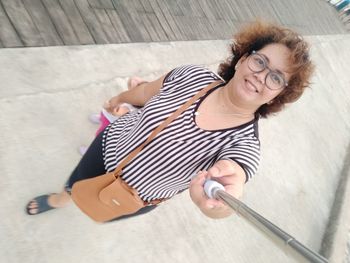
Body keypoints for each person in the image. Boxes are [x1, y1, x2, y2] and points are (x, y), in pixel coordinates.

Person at [26, 20, 314, 220]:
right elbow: (146, 91)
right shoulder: (193, 75)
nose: (261, 76)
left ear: (277, 96)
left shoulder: (244, 145)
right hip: (108, 146)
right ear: (242, 59)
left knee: (99, 207)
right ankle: (60, 199)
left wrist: (220, 203)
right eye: (259, 61)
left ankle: (72, 199)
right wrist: (120, 99)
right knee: (76, 183)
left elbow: (234, 180)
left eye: (276, 78)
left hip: (134, 195)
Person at [78, 77, 145, 155]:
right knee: (103, 115)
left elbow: (116, 111)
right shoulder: (139, 96)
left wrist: (110, 106)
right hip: (107, 115)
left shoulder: (129, 109)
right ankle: (100, 118)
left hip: (110, 122)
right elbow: (133, 80)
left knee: (99, 137)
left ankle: (90, 151)